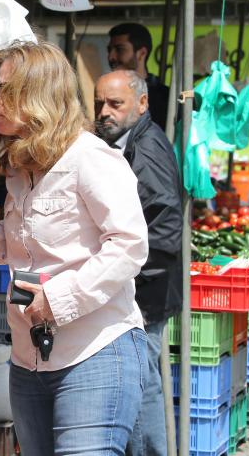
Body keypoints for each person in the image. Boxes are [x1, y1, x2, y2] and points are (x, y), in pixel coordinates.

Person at [0, 41, 149, 455]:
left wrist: (59, 299)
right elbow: (29, 248)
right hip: (28, 359)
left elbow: (130, 244)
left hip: (95, 351)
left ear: (40, 94)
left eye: (5, 89)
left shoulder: (90, 157)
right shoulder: (19, 165)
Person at [94, 71, 183, 456]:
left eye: (115, 104)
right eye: (100, 103)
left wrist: (124, 277)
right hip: (142, 291)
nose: (104, 112)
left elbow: (165, 232)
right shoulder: (128, 143)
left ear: (142, 104)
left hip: (145, 295)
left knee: (142, 386)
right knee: (138, 384)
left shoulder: (145, 151)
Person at [107, 23, 170, 132]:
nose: (111, 57)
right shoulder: (106, 93)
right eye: (109, 50)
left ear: (141, 53)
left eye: (119, 49)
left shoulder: (165, 98)